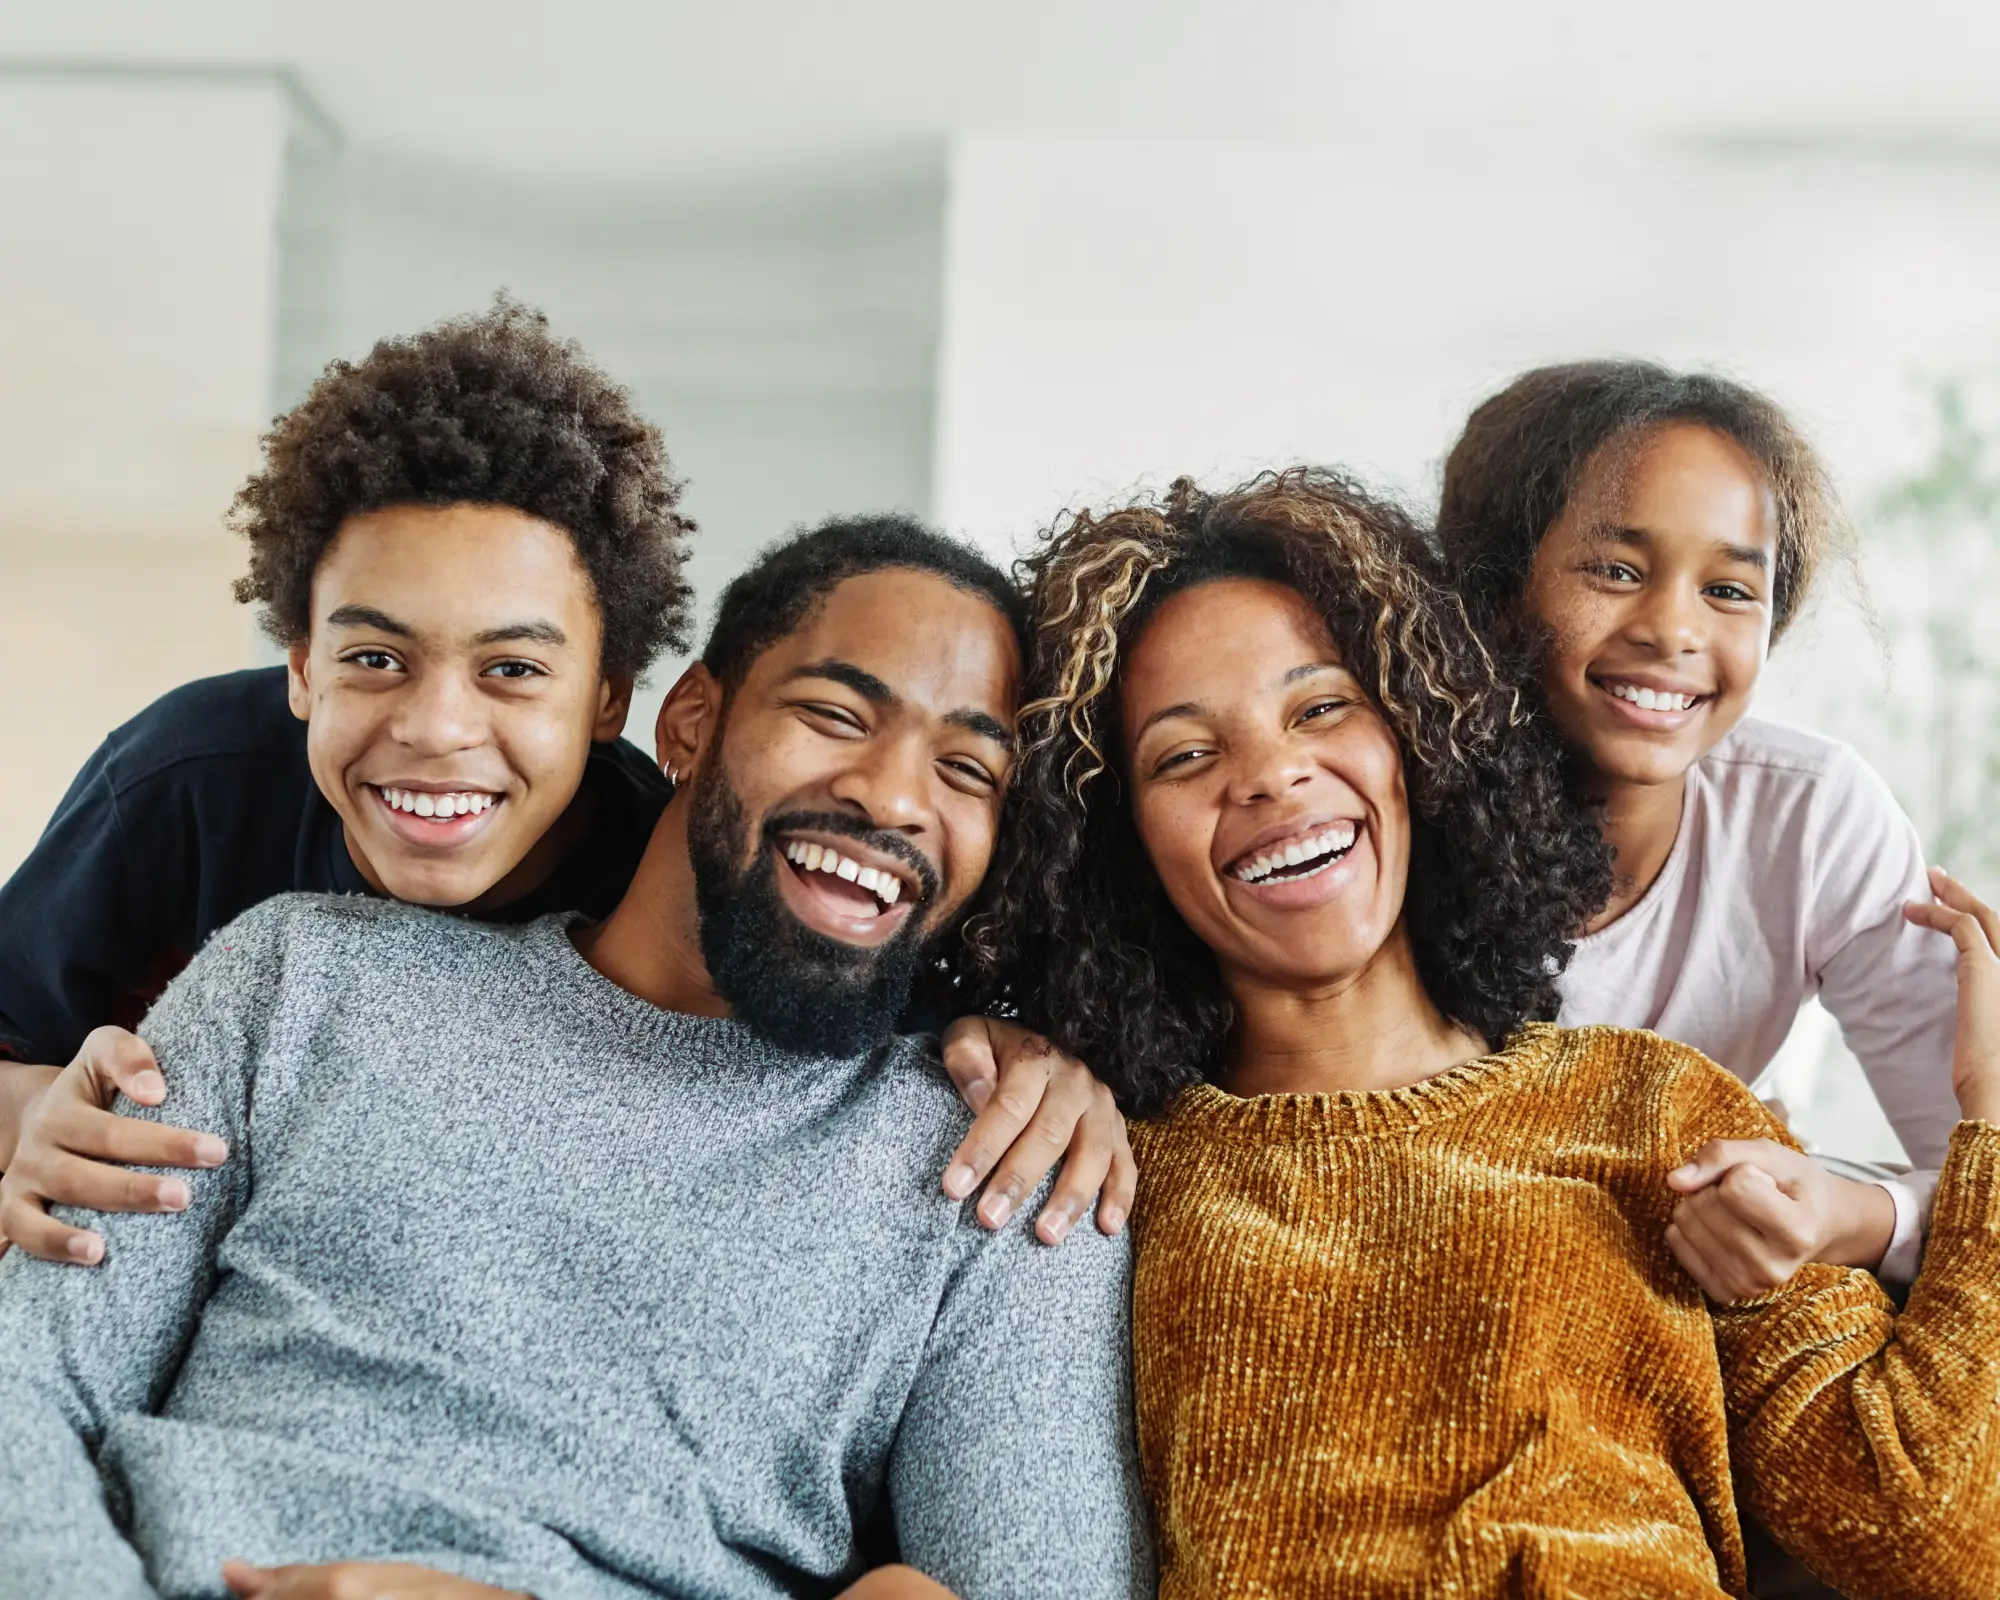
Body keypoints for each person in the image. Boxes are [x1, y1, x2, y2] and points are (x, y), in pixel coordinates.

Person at [0, 515, 1152, 1600]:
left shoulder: (1005, 1170)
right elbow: (22, 1397)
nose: (894, 794)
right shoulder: (296, 977)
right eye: (837, 715)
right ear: (689, 720)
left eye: (967, 771)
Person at [969, 468, 2000, 1599]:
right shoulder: (1109, 1174)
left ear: (1417, 738)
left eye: (1320, 708)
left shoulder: (1653, 1111)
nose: (1270, 775)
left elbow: (1930, 1532)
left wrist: (1991, 1114)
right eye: (1184, 754)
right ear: (1119, 846)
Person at [0, 301, 1130, 1267]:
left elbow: (865, 992)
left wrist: (1027, 1058)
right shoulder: (189, 782)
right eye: (374, 659)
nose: (438, 727)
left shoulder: (674, 882)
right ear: (300, 666)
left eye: (512, 670)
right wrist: (34, 1114)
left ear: (609, 699)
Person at [1437, 361, 1959, 1300]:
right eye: (1616, 571)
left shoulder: (1809, 817)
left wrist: (1845, 1214)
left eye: (1728, 590)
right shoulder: (1385, 817)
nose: (1673, 629)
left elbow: (1978, 1187)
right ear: (1495, 584)